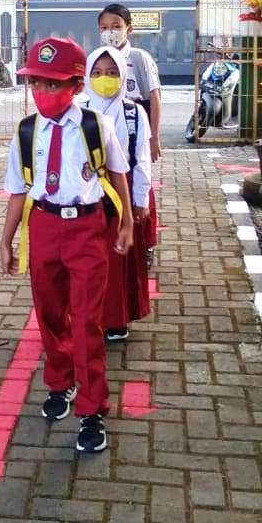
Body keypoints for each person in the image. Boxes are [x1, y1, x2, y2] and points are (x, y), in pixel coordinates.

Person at [0, 37, 134, 455]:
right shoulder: (26, 131)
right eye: (36, 84)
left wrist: (127, 222)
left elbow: (117, 175)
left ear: (77, 85)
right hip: (42, 227)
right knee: (50, 313)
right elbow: (19, 190)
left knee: (87, 322)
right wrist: (7, 240)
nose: (43, 94)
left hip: (86, 229)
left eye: (53, 85)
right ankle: (61, 383)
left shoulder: (96, 126)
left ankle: (92, 409)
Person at [83, 46, 152, 342]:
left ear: (123, 76)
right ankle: (85, 317)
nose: (105, 79)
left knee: (116, 260)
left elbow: (142, 157)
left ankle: (115, 319)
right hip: (84, 196)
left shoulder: (134, 113)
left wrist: (140, 200)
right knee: (85, 261)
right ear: (87, 76)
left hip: (119, 198)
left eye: (112, 73)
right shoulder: (78, 108)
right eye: (97, 73)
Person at [98, 3, 162, 263]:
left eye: (116, 26)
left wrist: (154, 137)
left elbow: (154, 97)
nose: (110, 32)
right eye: (104, 28)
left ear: (129, 29)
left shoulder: (139, 58)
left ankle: (145, 244)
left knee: (140, 185)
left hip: (135, 127)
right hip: (106, 130)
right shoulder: (98, 57)